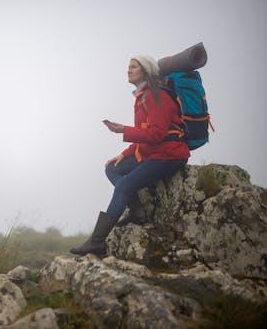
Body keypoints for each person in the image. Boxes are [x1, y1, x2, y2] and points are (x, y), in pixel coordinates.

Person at [70, 55, 190, 256]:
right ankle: (137, 211)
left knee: (125, 185)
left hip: (170, 154)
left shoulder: (155, 95)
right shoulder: (142, 96)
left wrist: (122, 130)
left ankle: (97, 242)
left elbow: (157, 134)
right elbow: (145, 132)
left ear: (145, 71)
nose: (128, 70)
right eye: (129, 66)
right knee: (113, 169)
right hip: (155, 152)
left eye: (133, 67)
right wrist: (124, 154)